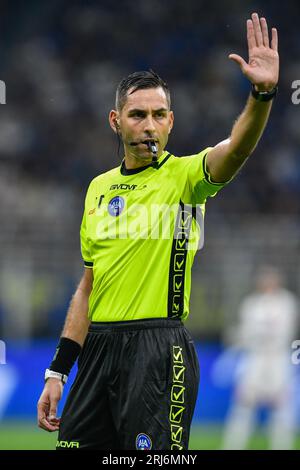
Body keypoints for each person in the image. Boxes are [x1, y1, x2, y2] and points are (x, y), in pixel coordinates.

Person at [37, 12, 279, 450]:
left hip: (159, 348)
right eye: (138, 114)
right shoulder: (98, 189)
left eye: (159, 114)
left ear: (171, 121)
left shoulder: (187, 178)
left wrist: (262, 94)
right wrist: (58, 370)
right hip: (98, 351)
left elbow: (237, 149)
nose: (149, 125)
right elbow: (88, 287)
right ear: (116, 121)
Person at [222, 266, 298, 450]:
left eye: (271, 279)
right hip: (255, 359)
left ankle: (282, 446)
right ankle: (232, 446)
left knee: (282, 406)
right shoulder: (251, 303)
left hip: (278, 359)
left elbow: (288, 331)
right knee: (244, 403)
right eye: (265, 279)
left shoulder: (287, 302)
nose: (268, 283)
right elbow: (246, 333)